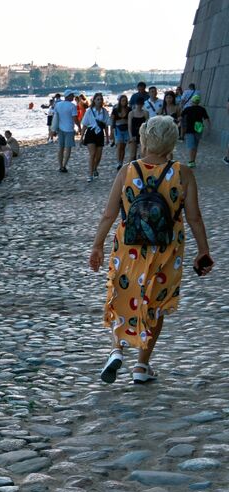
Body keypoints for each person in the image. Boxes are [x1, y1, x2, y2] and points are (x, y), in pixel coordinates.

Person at [89, 116, 213, 385]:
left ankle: (116, 349)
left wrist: (97, 245)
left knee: (121, 294)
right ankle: (141, 366)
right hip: (167, 250)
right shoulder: (182, 173)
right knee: (154, 305)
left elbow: (109, 214)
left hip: (128, 247)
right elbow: (194, 217)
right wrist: (203, 249)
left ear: (144, 140)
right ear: (170, 140)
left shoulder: (128, 171)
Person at [81, 92, 111, 181]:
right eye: (98, 99)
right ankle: (90, 175)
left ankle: (95, 168)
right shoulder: (89, 111)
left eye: (101, 99)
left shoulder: (104, 111)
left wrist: (108, 137)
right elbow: (85, 125)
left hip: (100, 134)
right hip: (91, 132)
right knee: (92, 154)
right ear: (94, 100)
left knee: (98, 156)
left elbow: (106, 125)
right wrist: (82, 137)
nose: (99, 101)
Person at [53, 91, 79, 172]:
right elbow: (75, 118)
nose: (73, 97)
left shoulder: (58, 105)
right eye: (72, 95)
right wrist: (79, 126)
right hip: (69, 129)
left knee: (60, 148)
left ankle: (60, 165)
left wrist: (53, 129)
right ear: (68, 96)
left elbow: (55, 118)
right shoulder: (72, 106)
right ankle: (64, 166)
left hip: (60, 129)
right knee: (68, 149)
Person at [181, 95, 209, 168]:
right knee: (195, 146)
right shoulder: (202, 109)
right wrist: (208, 128)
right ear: (198, 101)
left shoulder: (187, 109)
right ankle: (193, 160)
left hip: (189, 130)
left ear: (191, 101)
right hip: (198, 129)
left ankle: (191, 161)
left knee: (191, 146)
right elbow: (206, 119)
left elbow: (181, 117)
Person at [110, 94, 132, 168]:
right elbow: (112, 121)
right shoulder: (115, 110)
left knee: (123, 147)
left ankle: (121, 162)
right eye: (122, 101)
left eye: (125, 101)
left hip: (126, 129)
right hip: (118, 128)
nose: (124, 102)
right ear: (120, 101)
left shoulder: (129, 109)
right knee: (119, 146)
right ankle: (118, 162)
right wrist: (111, 132)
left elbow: (130, 120)